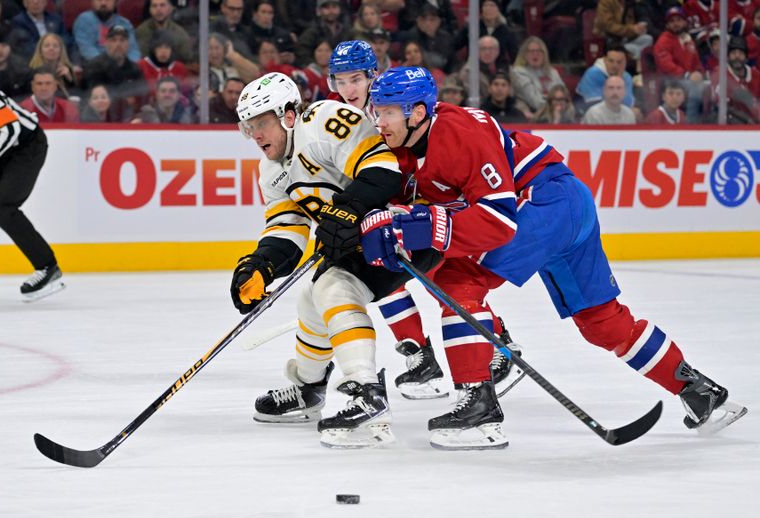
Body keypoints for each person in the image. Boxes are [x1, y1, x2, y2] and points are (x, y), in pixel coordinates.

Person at [361, 66, 748, 448]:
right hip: (565, 202)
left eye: (388, 111)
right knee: (600, 321)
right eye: (376, 110)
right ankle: (700, 391)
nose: (379, 120)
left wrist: (422, 228)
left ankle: (478, 404)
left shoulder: (461, 133)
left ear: (417, 112)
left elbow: (497, 221)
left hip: (543, 202)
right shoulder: (405, 145)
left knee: (460, 280)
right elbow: (411, 204)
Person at [231, 72, 439, 447]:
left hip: (404, 226)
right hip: (363, 238)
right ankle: (308, 389)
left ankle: (367, 390)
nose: (256, 135)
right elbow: (288, 231)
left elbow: (384, 171)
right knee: (311, 295)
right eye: (249, 127)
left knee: (331, 285)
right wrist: (260, 265)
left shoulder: (324, 120)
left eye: (262, 123)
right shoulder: (271, 170)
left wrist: (346, 211)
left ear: (289, 115)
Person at [327, 39, 449, 399]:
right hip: (382, 201)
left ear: (372, 75)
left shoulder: (393, 100)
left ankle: (495, 340)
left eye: (354, 79)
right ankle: (418, 354)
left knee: (440, 271)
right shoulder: (337, 115)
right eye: (339, 81)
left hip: (418, 195)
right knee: (381, 278)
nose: (348, 89)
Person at [0, 79, 65, 301]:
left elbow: (11, 127)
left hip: (26, 147)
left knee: (3, 207)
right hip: (1, 149)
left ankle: (48, 267)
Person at [73, 0, 141, 62]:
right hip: (95, 68)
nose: (103, 3)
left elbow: (133, 52)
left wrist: (128, 66)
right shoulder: (84, 20)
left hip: (122, 68)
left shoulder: (124, 23)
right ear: (92, 2)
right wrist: (110, 66)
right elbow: (88, 51)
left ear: (115, 2)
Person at [576, 44, 636, 110]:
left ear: (625, 63)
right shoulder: (592, 73)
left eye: (619, 62)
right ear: (604, 60)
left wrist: (619, 79)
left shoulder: (627, 77)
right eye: (611, 61)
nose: (615, 65)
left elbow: (629, 104)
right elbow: (594, 105)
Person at [28, 32, 77, 98]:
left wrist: (70, 80)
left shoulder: (67, 69)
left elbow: (76, 95)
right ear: (40, 51)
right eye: (47, 46)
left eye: (55, 46)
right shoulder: (33, 72)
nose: (51, 48)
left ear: (61, 51)